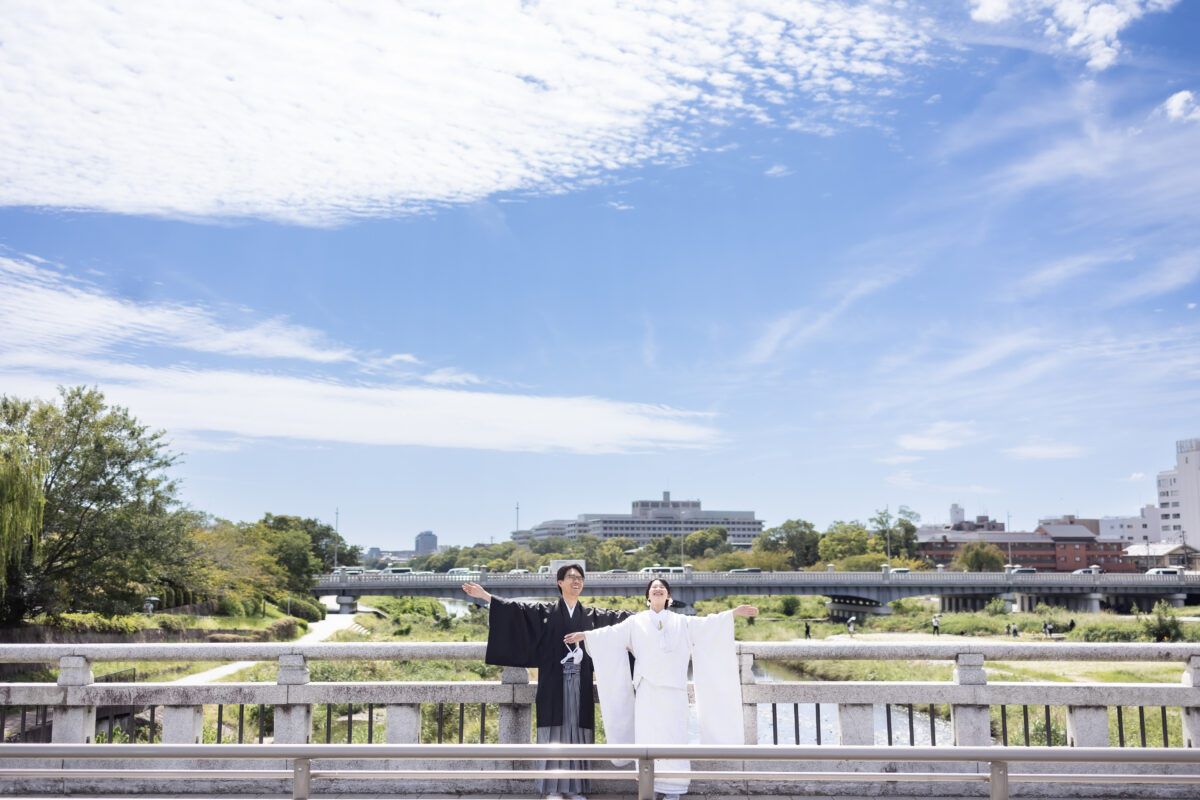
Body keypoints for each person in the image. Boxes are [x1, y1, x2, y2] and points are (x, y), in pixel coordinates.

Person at [564, 579, 757, 800]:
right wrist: (586, 636)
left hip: (674, 692)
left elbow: (708, 624)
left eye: (662, 588)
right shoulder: (635, 622)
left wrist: (732, 613)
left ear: (668, 597)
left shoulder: (683, 622)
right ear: (648, 596)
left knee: (675, 739)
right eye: (653, 587)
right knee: (647, 740)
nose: (657, 589)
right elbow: (610, 634)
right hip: (647, 692)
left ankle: (674, 790)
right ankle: (650, 786)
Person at [462, 565, 631, 800]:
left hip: (580, 682)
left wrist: (653, 611)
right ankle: (553, 788)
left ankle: (577, 789)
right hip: (553, 680)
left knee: (577, 732)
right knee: (554, 732)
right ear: (559, 582)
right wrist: (486, 596)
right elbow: (515, 610)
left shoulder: (593, 616)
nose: (576, 581)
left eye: (580, 578)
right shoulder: (545, 612)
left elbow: (621, 623)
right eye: (571, 577)